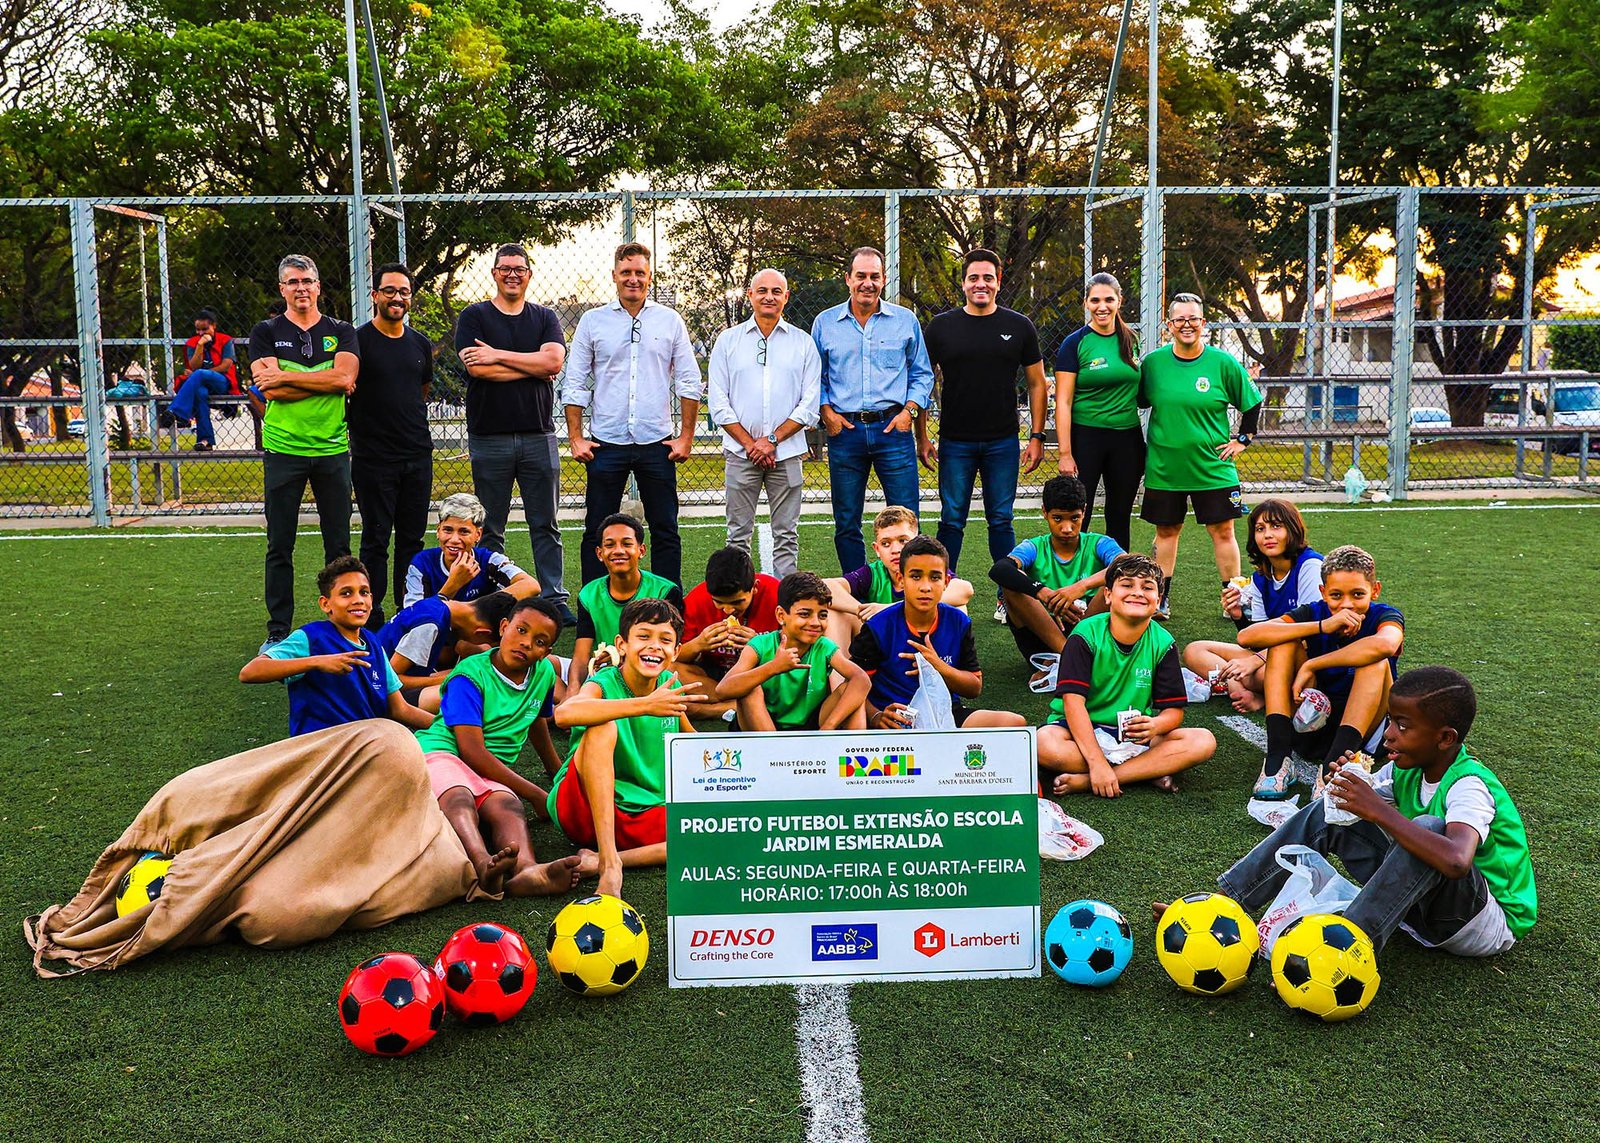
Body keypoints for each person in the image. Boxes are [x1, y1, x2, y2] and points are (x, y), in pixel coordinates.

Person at [1174, 666, 1535, 958]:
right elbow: (1349, 811)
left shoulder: (1469, 785)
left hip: (1482, 925)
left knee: (1430, 828)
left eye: (1402, 726)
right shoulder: (1405, 769)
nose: (1388, 735)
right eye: (1389, 721)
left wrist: (1376, 810)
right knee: (1327, 812)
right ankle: (1225, 905)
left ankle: (1343, 953)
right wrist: (1345, 786)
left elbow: (1457, 860)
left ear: (1445, 739)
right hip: (1421, 910)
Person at [413, 596, 584, 896]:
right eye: (521, 630)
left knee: (508, 806)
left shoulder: (543, 674)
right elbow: (471, 752)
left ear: (547, 652)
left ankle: (527, 870)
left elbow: (536, 721)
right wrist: (535, 794)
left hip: (489, 770)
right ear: (504, 627)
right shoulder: (469, 676)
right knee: (459, 797)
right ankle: (482, 864)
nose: (526, 643)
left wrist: (557, 774)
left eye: (539, 641)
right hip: (443, 754)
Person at [564, 241, 702, 589]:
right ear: (614, 275)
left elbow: (689, 380)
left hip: (657, 442)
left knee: (665, 529)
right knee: (596, 530)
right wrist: (576, 437)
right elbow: (575, 381)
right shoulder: (593, 321)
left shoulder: (669, 321)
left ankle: (668, 605)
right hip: (606, 443)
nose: (633, 279)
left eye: (640, 272)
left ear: (649, 276)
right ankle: (593, 606)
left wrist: (686, 437)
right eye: (626, 272)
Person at [550, 598, 708, 899]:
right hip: (585, 808)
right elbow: (564, 714)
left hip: (645, 810)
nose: (654, 646)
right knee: (602, 726)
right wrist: (646, 705)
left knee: (708, 835)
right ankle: (610, 866)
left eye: (665, 640)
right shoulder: (605, 681)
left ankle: (603, 859)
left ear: (676, 651)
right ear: (622, 645)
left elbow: (693, 748)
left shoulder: (668, 686)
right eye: (644, 636)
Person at [454, 243, 572, 622]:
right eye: (505, 268)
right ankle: (495, 600)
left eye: (519, 269)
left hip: (538, 435)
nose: (512, 275)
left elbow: (553, 361)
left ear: (529, 275)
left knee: (546, 523)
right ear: (494, 273)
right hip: (490, 436)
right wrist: (531, 366)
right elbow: (477, 369)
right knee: (491, 527)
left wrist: (498, 355)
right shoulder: (474, 316)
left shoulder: (544, 317)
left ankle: (554, 598)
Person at [248, 254, 360, 647]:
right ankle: (278, 630)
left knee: (339, 545)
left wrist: (286, 375)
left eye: (307, 281)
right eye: (293, 282)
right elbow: (270, 390)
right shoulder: (265, 331)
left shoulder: (341, 330)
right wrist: (325, 380)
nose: (301, 288)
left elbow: (345, 378)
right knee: (280, 543)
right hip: (284, 449)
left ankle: (343, 627)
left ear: (318, 287)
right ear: (282, 289)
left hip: (332, 448)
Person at [1036, 553, 1215, 797]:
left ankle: (1091, 780)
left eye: (1147, 587)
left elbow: (1173, 712)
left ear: (1158, 600)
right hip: (1078, 731)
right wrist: (1096, 760)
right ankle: (1147, 769)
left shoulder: (1163, 642)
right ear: (1108, 595)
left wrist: (1155, 724)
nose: (1137, 593)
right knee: (1044, 743)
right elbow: (1073, 703)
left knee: (1202, 741)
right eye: (1127, 585)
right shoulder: (1085, 634)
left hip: (1133, 736)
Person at [918, 248, 1047, 582]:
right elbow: (921, 382)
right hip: (955, 442)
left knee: (1001, 520)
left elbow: (1037, 383)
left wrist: (1036, 437)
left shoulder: (1019, 326)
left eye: (988, 278)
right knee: (951, 520)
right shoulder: (941, 327)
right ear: (963, 283)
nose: (981, 284)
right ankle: (943, 591)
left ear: (998, 282)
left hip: (1002, 442)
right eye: (973, 278)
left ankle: (1010, 595)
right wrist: (922, 436)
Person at [1238, 544, 1403, 799]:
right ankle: (1278, 760)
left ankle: (1333, 770)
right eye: (1336, 595)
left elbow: (1386, 644)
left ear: (1375, 590)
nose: (1347, 605)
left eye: (1358, 594)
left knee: (1375, 660)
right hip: (1313, 722)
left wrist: (1313, 664)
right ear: (1323, 592)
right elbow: (1247, 637)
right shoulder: (1315, 612)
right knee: (1282, 643)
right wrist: (1322, 625)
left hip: (1363, 734)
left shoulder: (1384, 614)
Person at [1139, 292, 1264, 619]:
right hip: (1165, 468)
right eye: (1180, 319)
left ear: (1203, 323)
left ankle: (1235, 599)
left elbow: (1252, 402)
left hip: (1213, 467)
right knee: (1167, 531)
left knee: (1223, 531)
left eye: (1193, 318)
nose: (1187, 325)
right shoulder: (1153, 364)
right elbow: (1135, 400)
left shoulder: (1223, 363)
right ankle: (1160, 598)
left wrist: (1243, 440)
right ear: (1169, 325)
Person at [813, 246, 934, 573]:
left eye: (874, 276)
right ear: (848, 279)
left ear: (883, 280)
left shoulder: (905, 321)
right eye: (861, 276)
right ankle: (857, 589)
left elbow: (922, 374)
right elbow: (814, 376)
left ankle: (906, 588)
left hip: (893, 430)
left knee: (907, 521)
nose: (867, 283)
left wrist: (908, 412)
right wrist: (826, 412)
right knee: (846, 521)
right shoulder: (825, 323)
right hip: (845, 433)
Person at [239, 556, 433, 737]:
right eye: (346, 593)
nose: (358, 600)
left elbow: (399, 709)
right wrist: (316, 662)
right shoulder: (311, 637)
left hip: (365, 743)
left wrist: (443, 727)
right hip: (323, 747)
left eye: (364, 592)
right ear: (325, 604)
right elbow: (250, 672)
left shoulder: (373, 644)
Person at [708, 268, 821, 577]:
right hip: (740, 454)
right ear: (750, 295)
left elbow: (809, 404)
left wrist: (772, 440)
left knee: (787, 535)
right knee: (737, 536)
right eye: (762, 291)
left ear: (786, 297)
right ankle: (738, 594)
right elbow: (718, 402)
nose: (769, 297)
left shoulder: (803, 343)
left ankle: (785, 596)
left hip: (787, 453)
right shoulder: (728, 341)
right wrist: (751, 444)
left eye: (776, 291)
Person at [848, 536, 1025, 731]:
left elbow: (974, 687)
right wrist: (875, 716)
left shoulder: (958, 621)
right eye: (916, 576)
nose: (925, 587)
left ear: (946, 581)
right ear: (901, 579)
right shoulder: (877, 627)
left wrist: (938, 666)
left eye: (934, 577)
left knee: (1014, 724)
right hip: (894, 720)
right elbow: (850, 687)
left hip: (945, 715)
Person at [350, 263, 434, 627]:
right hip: (373, 459)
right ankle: (371, 615)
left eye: (403, 292)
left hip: (416, 455)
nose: (397, 297)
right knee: (376, 538)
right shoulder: (358, 341)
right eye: (389, 291)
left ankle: (407, 610)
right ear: (375, 296)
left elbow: (421, 391)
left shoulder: (420, 344)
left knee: (412, 540)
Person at [1182, 498, 1323, 713]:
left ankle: (1257, 693)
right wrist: (1239, 616)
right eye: (1260, 529)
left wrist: (1254, 661)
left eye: (1276, 526)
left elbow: (1308, 636)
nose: (1267, 535)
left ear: (1293, 529)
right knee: (1195, 650)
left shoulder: (1310, 566)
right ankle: (1240, 688)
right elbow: (1258, 640)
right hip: (1270, 656)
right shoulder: (1260, 578)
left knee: (1264, 672)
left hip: (1307, 658)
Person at [988, 474, 1125, 683]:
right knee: (1011, 585)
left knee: (1119, 581)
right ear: (1045, 512)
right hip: (1044, 639)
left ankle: (1068, 659)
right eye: (1058, 518)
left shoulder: (1098, 543)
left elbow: (1128, 565)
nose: (1067, 528)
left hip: (1088, 631)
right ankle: (1070, 656)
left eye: (1075, 518)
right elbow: (1000, 569)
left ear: (1084, 511)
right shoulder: (1034, 546)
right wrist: (1044, 593)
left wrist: (1080, 587)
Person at [1054, 272, 1144, 550]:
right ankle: (1074, 572)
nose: (1102, 306)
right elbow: (1063, 402)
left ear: (1119, 301)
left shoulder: (1131, 339)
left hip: (1127, 439)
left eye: (1108, 300)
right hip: (1086, 438)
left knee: (1119, 515)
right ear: (1086, 303)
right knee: (1079, 514)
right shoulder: (1074, 343)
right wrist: (1065, 453)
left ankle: (1118, 573)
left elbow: (1140, 391)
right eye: (1095, 300)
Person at [718, 572, 870, 731]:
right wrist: (773, 667)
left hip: (811, 727)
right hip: (763, 728)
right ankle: (775, 747)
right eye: (804, 614)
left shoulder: (824, 647)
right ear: (781, 615)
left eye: (823, 615)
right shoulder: (760, 645)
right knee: (750, 687)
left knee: (851, 691)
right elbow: (723, 690)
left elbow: (861, 679)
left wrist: (828, 727)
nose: (815, 622)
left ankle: (853, 745)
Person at [824, 505, 975, 642]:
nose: (895, 550)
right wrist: (860, 610)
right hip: (885, 639)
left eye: (903, 541)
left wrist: (888, 609)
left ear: (916, 540)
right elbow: (826, 586)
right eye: (886, 543)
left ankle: (947, 661)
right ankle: (841, 665)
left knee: (958, 608)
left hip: (927, 640)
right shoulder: (873, 573)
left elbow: (965, 590)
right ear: (877, 549)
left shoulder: (927, 564)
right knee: (836, 611)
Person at [570, 513, 685, 690]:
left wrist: (620, 656)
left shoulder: (665, 591)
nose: (618, 551)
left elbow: (668, 648)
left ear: (641, 550)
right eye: (610, 545)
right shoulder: (589, 594)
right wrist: (572, 690)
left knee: (679, 672)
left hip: (650, 665)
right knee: (548, 664)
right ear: (600, 553)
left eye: (627, 544)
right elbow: (581, 656)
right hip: (603, 672)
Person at [676, 546, 782, 721]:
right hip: (715, 677)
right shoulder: (697, 599)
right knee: (667, 668)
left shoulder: (777, 595)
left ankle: (709, 709)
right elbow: (673, 657)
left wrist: (762, 646)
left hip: (759, 676)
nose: (728, 610)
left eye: (737, 602)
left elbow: (798, 654)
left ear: (754, 587)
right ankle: (734, 703)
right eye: (718, 602)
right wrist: (698, 644)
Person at [402, 492, 540, 607]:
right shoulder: (422, 563)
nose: (454, 539)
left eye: (464, 531)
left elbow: (531, 585)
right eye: (448, 530)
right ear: (438, 531)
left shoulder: (489, 560)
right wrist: (452, 585)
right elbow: (411, 616)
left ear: (478, 534)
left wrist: (474, 610)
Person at [376, 589, 519, 692]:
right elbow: (389, 680)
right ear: (483, 633)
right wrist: (445, 679)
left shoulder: (438, 604)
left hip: (380, 678)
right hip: (375, 693)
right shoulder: (430, 625)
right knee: (463, 690)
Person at [159, 308, 240, 452]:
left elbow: (226, 365)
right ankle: (205, 441)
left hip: (222, 382)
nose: (201, 333)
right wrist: (200, 346)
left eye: (205, 329)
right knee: (200, 393)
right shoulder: (193, 343)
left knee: (199, 374)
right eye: (198, 329)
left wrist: (201, 373)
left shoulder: (225, 340)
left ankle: (176, 411)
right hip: (200, 384)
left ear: (213, 326)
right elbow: (194, 365)